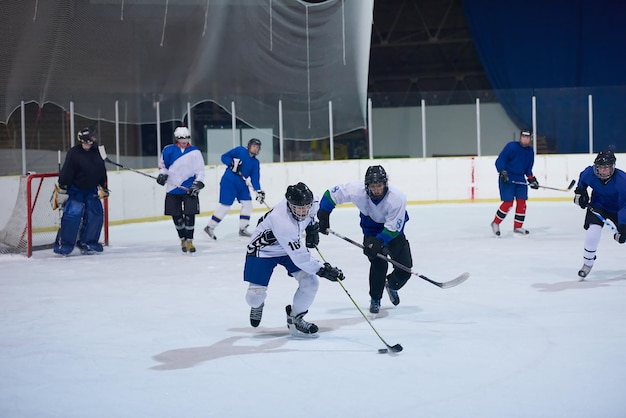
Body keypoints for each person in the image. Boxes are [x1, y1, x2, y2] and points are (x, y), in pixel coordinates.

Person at [244, 182, 344, 337]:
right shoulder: (283, 222)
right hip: (264, 250)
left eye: (306, 207)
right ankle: (258, 304)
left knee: (310, 283)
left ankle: (295, 318)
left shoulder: (313, 203)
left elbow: (314, 213)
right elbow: (300, 257)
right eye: (299, 208)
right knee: (254, 296)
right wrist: (322, 269)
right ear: (290, 205)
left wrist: (313, 227)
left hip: (288, 249)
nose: (303, 211)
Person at [317, 165, 413, 314]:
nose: (376, 190)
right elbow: (331, 194)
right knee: (378, 263)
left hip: (393, 233)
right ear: (366, 185)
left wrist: (379, 241)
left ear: (385, 184)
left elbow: (393, 228)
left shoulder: (397, 198)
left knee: (405, 269)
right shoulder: (356, 190)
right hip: (371, 230)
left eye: (379, 185)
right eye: (372, 186)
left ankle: (391, 285)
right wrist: (324, 214)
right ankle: (375, 299)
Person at [53, 126, 108, 256]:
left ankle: (88, 242)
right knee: (72, 216)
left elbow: (101, 169)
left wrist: (103, 184)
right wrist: (63, 185)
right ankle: (65, 244)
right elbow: (67, 171)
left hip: (91, 190)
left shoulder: (97, 152)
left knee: (96, 214)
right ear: (86, 139)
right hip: (76, 190)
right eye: (92, 136)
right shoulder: (74, 153)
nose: (95, 138)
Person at [573, 150, 626, 278]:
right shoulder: (590, 173)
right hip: (598, 206)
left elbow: (624, 206)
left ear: (612, 167)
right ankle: (587, 263)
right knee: (593, 233)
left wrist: (623, 226)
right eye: (600, 167)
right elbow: (583, 179)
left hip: (618, 210)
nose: (602, 171)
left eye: (606, 168)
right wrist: (580, 192)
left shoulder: (622, 181)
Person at [156, 126, 206, 253]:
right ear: (177, 139)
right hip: (173, 188)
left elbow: (200, 171)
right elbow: (163, 166)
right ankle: (182, 238)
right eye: (181, 138)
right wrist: (162, 175)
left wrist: (197, 184)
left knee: (190, 215)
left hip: (189, 188)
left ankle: (189, 241)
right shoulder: (168, 150)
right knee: (176, 215)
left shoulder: (195, 152)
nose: (184, 141)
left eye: (186, 138)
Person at [204, 138, 265, 239]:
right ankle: (209, 227)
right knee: (225, 206)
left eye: (257, 147)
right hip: (229, 181)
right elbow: (224, 157)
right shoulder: (240, 150)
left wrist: (258, 191)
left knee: (248, 204)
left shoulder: (255, 162)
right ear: (249, 146)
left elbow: (255, 178)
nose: (255, 149)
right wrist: (231, 163)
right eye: (254, 146)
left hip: (242, 184)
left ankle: (242, 229)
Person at [490, 129, 539, 236]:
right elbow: (500, 160)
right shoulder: (511, 147)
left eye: (527, 137)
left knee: (522, 203)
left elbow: (528, 168)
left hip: (520, 178)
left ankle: (518, 226)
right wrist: (502, 172)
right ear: (520, 137)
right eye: (523, 137)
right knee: (508, 203)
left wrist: (532, 179)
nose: (525, 139)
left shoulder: (530, 151)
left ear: (530, 139)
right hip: (508, 177)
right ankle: (495, 223)